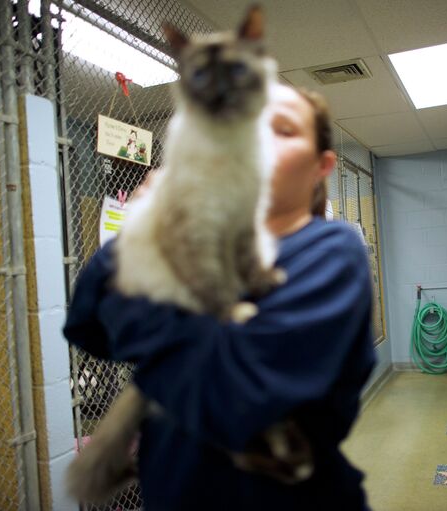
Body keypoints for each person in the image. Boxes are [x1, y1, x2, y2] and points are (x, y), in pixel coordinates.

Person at [63, 84, 375, 509]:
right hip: (173, 488)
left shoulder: (330, 251)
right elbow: (88, 325)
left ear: (321, 166)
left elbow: (234, 394)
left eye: (282, 130)